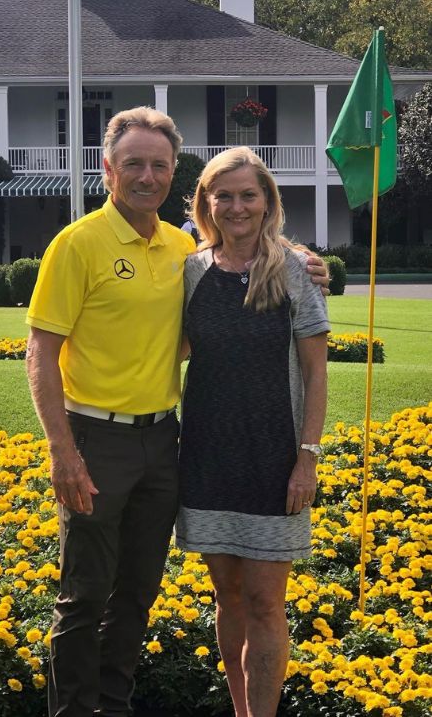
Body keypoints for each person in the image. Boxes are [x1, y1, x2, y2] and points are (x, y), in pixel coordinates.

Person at [25, 107, 330, 717]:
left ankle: (114, 707)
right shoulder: (81, 243)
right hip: (101, 440)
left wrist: (302, 258)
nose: (146, 175)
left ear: (173, 176)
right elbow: (41, 351)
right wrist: (63, 450)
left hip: (171, 445)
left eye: (158, 164)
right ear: (107, 169)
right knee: (84, 596)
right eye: (133, 163)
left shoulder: (179, 250)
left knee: (137, 594)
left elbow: (251, 262)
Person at [176, 146, 330, 717]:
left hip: (275, 463)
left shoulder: (294, 269)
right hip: (207, 460)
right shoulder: (191, 270)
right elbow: (175, 347)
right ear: (206, 203)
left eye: (248, 195)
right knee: (229, 596)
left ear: (268, 202)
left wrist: (307, 458)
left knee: (267, 603)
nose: (237, 206)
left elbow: (316, 372)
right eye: (225, 195)